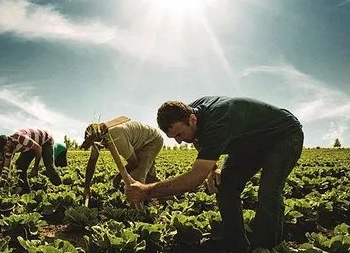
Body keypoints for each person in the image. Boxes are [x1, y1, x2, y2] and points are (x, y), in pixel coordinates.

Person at [125, 96, 303, 253]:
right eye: (174, 138)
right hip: (249, 143)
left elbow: (194, 178)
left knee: (268, 192)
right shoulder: (190, 114)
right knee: (225, 187)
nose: (179, 141)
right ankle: (236, 245)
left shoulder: (219, 121)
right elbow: (197, 140)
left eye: (180, 134)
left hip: (283, 135)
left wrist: (146, 191)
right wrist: (213, 168)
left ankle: (266, 248)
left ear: (192, 119)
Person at [0, 128, 64, 193]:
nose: (5, 151)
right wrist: (4, 181)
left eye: (4, 149)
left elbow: (38, 149)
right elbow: (7, 166)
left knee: (49, 166)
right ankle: (25, 190)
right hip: (30, 146)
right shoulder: (9, 149)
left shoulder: (21, 139)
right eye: (3, 151)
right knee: (20, 166)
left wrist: (35, 167)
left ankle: (59, 187)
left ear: (8, 142)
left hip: (45, 141)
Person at [80, 119, 163, 200]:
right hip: (139, 142)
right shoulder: (98, 137)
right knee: (149, 176)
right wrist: (86, 187)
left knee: (137, 176)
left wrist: (119, 177)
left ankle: (135, 210)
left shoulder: (116, 138)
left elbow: (134, 163)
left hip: (152, 141)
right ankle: (168, 197)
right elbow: (92, 162)